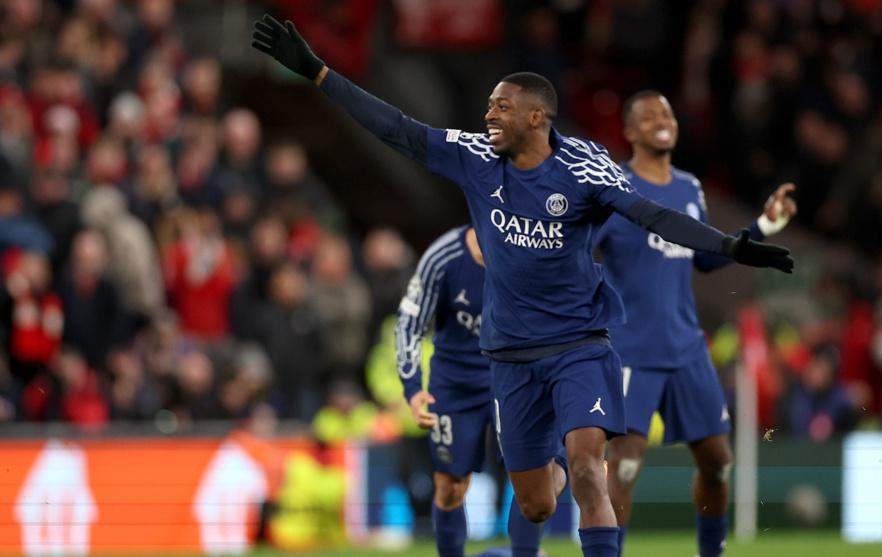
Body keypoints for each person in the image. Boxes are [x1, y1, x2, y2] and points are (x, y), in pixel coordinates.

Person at [251, 16, 792, 557]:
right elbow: (398, 128)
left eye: (501, 107)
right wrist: (320, 74)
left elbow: (651, 214)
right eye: (489, 105)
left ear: (537, 117)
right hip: (510, 354)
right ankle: (549, 473)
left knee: (588, 469)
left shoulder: (584, 167)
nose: (487, 114)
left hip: (580, 344)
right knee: (535, 502)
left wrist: (729, 245)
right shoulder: (476, 157)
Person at [596, 90, 796, 557]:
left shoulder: (689, 187)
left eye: (666, 113)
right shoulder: (613, 188)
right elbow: (583, 251)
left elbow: (706, 258)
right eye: (648, 116)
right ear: (629, 132)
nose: (661, 120)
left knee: (718, 463)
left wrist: (762, 227)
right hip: (630, 350)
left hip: (686, 348)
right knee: (624, 468)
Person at [397, 226, 547, 557]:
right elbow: (409, 322)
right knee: (450, 487)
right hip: (455, 386)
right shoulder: (443, 256)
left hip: (513, 380)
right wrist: (412, 388)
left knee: (531, 480)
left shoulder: (532, 250)